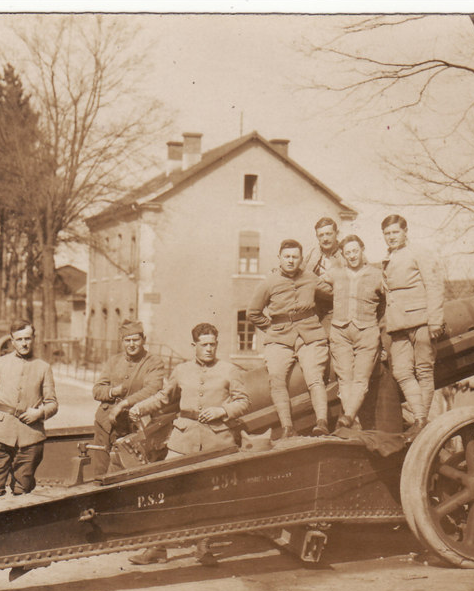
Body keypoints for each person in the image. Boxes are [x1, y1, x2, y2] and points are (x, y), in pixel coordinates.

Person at [127, 322, 249, 566]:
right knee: (164, 492)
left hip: (217, 441)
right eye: (204, 345)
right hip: (183, 440)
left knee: (210, 496)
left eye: (212, 344)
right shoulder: (181, 370)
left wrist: (222, 410)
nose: (209, 349)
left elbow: (244, 402)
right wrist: (140, 407)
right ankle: (157, 547)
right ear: (194, 346)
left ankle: (204, 547)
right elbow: (164, 398)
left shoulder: (230, 370)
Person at [247, 239, 333, 437]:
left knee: (314, 377)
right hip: (279, 337)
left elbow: (333, 294)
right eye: (287, 257)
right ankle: (287, 427)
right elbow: (253, 312)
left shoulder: (310, 278)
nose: (291, 261)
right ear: (279, 259)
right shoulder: (268, 283)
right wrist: (271, 328)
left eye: (295, 257)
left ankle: (322, 422)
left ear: (301, 259)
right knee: (276, 378)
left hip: (310, 335)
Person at [0, 319, 59, 501]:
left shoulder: (43, 368)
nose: (24, 343)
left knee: (23, 490)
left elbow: (53, 403)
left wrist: (40, 413)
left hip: (30, 437)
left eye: (27, 338)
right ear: (12, 341)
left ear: (34, 339)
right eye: (19, 339)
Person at [380, 214, 445, 435]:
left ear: (405, 232)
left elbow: (434, 285)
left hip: (421, 321)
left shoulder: (419, 253)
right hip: (398, 325)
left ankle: (420, 422)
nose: (391, 237)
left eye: (395, 232)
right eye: (387, 234)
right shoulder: (388, 258)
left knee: (424, 371)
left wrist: (435, 320)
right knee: (401, 372)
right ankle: (421, 418)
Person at [321, 234, 385, 430]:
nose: (352, 256)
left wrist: (383, 332)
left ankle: (348, 416)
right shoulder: (335, 273)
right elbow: (314, 283)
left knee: (361, 378)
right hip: (340, 332)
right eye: (347, 252)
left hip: (367, 332)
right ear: (343, 254)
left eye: (355, 251)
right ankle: (351, 419)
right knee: (344, 377)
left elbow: (390, 302)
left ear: (362, 250)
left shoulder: (377, 275)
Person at [90, 320, 167, 474]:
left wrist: (123, 404)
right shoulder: (114, 361)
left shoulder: (154, 362)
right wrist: (114, 392)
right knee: (99, 471)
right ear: (122, 342)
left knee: (124, 473)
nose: (131, 344)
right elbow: (97, 390)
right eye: (127, 340)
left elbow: (152, 389)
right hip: (105, 424)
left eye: (136, 340)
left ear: (143, 339)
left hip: (131, 427)